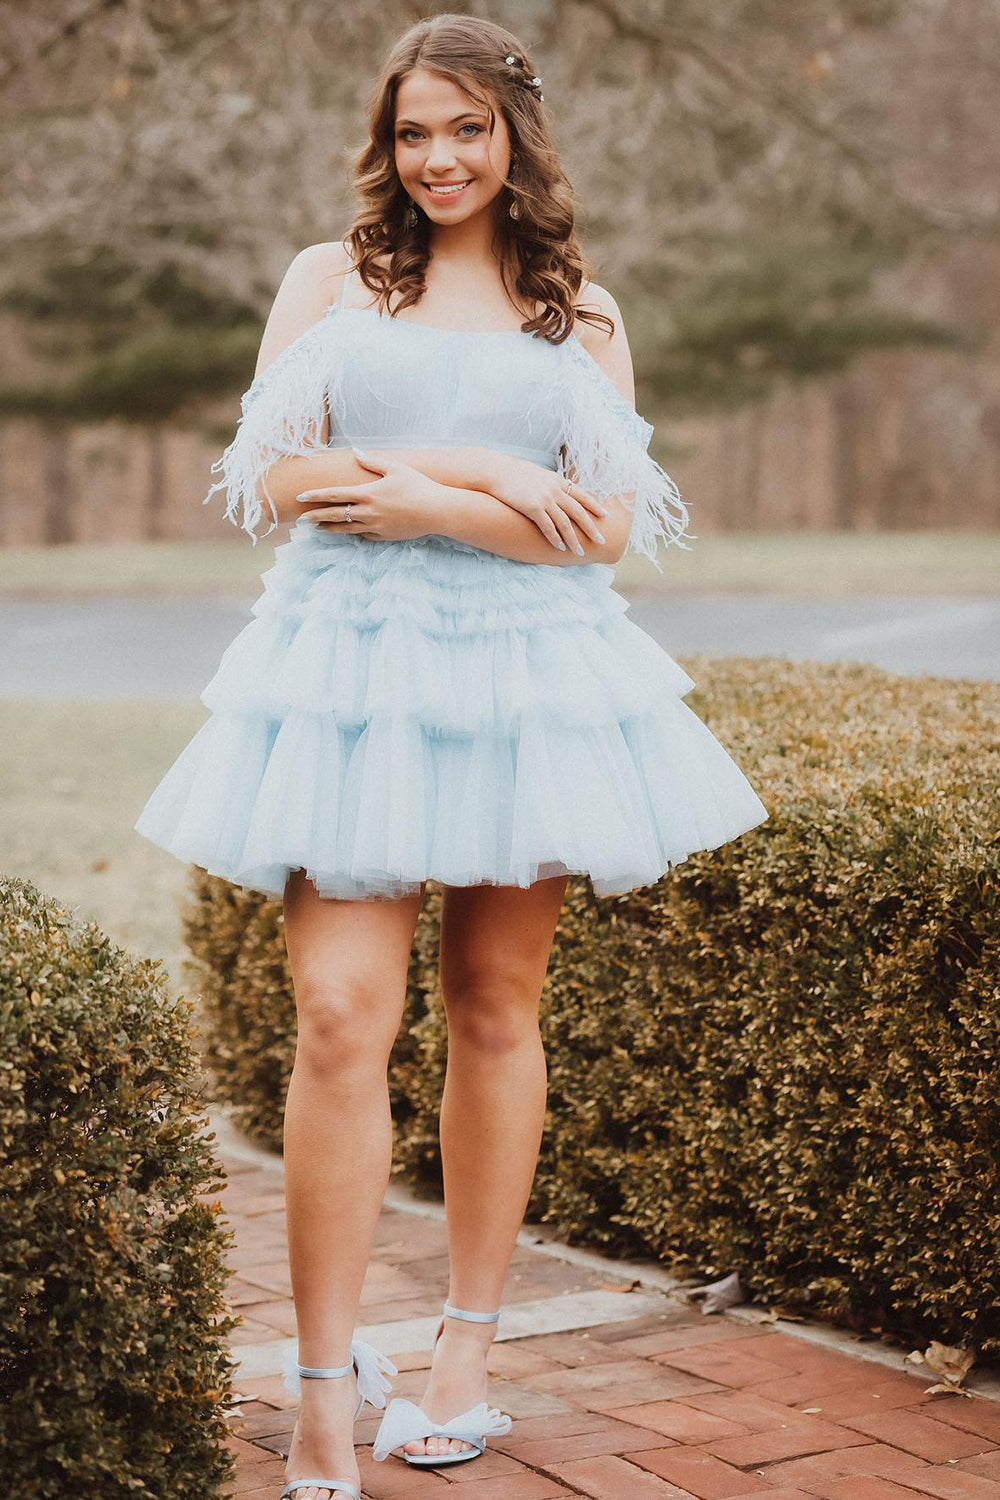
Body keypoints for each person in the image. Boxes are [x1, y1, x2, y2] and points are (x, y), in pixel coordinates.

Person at [133, 14, 770, 1500]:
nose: (438, 158)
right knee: (342, 1016)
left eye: (465, 130)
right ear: (389, 140)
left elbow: (606, 525)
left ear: (515, 138)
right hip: (351, 673)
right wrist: (483, 475)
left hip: (527, 680)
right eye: (415, 131)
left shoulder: (582, 313)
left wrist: (436, 503)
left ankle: (466, 1357)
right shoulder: (332, 281)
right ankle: (320, 1392)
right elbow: (277, 475)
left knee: (494, 1002)